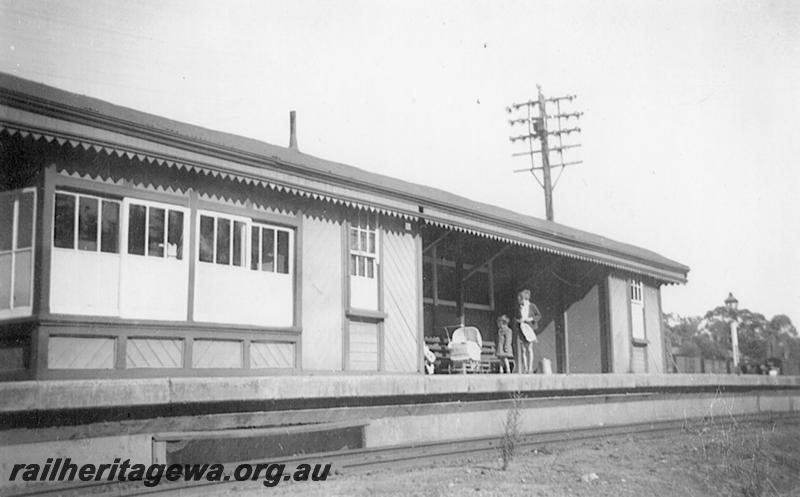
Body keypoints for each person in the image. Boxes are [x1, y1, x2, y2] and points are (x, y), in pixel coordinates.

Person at [514, 289, 541, 374]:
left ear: (524, 298)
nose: (519, 301)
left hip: (529, 329)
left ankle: (530, 368)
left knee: (529, 348)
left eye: (520, 298)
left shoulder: (531, 306)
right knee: (523, 350)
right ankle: (525, 368)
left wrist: (531, 319)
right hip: (521, 329)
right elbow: (516, 318)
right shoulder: (519, 308)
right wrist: (518, 321)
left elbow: (538, 315)